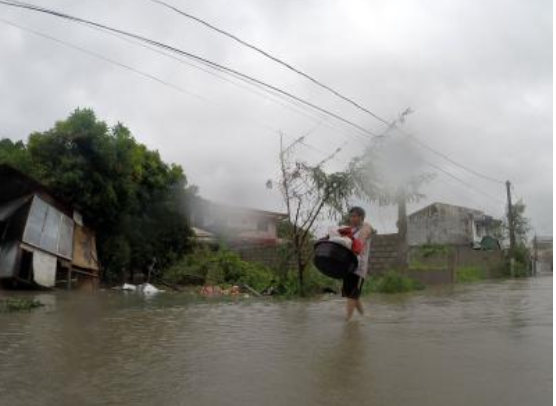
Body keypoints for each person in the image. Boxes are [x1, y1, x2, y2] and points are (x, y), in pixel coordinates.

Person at [342, 206, 372, 321]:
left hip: (359, 266)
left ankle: (347, 322)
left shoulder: (366, 227)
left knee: (352, 293)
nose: (352, 218)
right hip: (348, 265)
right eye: (351, 216)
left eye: (354, 216)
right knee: (352, 293)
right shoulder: (350, 229)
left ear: (361, 217)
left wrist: (358, 243)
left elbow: (362, 238)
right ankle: (364, 316)